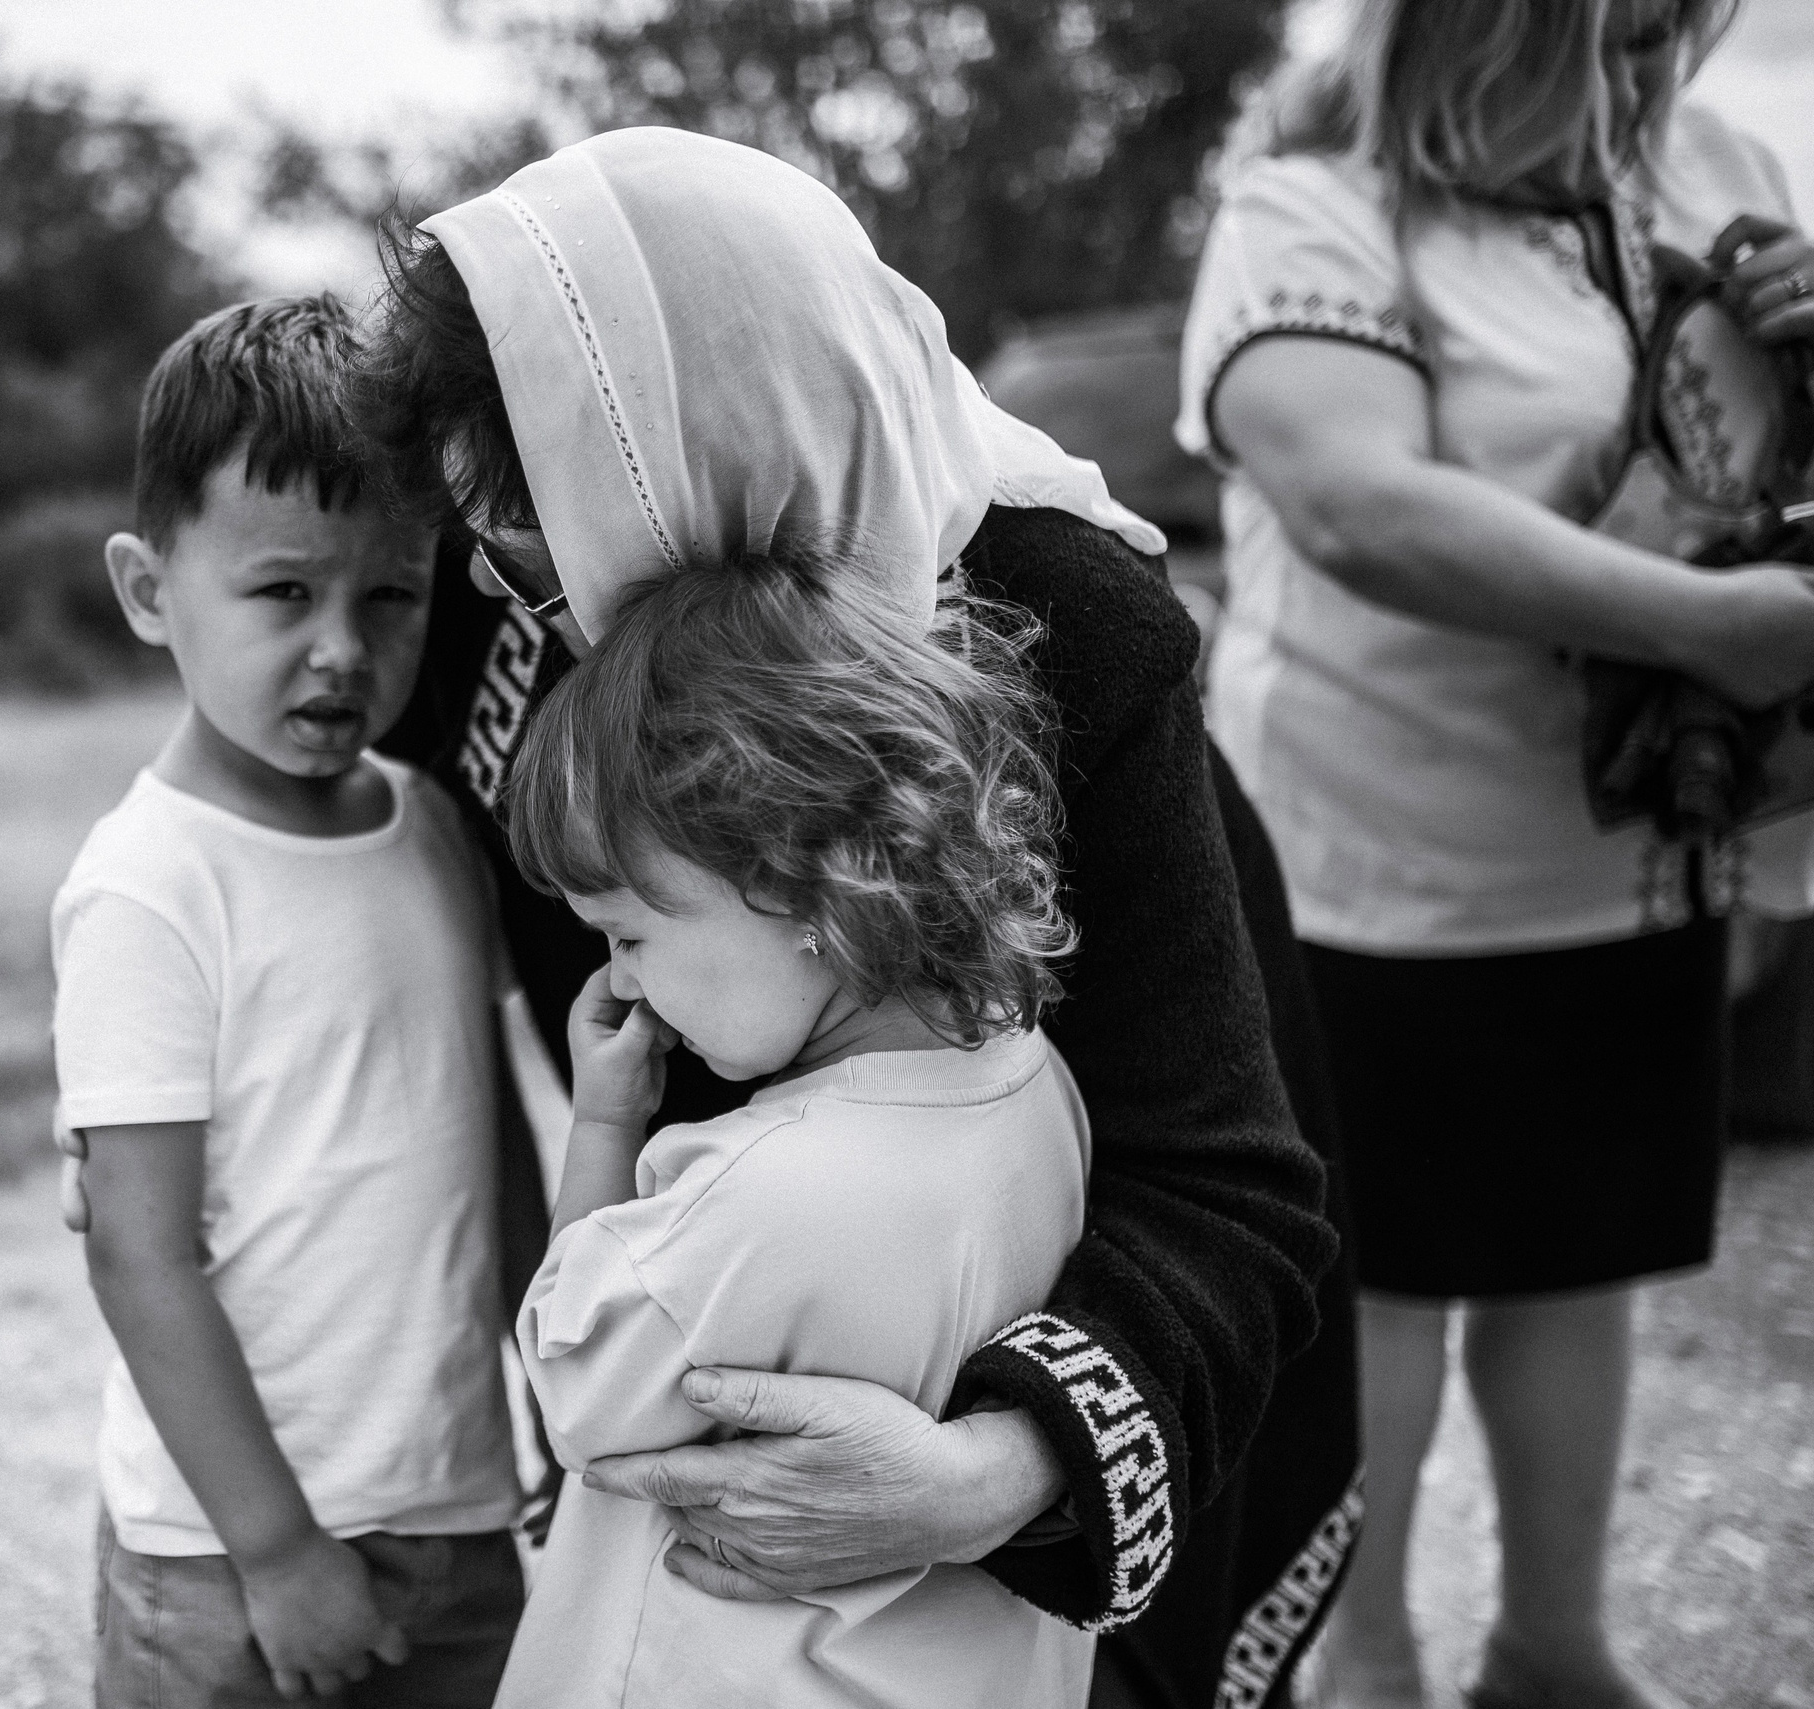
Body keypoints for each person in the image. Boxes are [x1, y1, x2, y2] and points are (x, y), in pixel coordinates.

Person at [345, 123, 1353, 1698]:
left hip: (1000, 1511)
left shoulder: (1061, 631)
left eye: (524, 543)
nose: (489, 589)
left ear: (669, 462)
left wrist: (986, 1478)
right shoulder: (572, 605)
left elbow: (1231, 1193)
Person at [1175, 1, 1814, 1704]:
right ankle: (1362, 1661)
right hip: (1375, 872)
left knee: (1578, 1255)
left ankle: (1552, 1648)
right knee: (1377, 1283)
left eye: (1683, 33)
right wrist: (1710, 626)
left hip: (1630, 855)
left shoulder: (1719, 165)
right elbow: (1358, 507)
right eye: (1617, 38)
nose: (1653, 76)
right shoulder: (1317, 205)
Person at [493, 544, 1094, 1707]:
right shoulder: (1033, 1077)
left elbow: (571, 1381)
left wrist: (607, 1117)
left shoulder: (749, 1190)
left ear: (798, 888)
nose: (616, 985)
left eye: (627, 933)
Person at [53, 295, 523, 1708]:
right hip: (226, 1555)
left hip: (452, 1505)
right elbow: (140, 1252)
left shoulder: (436, 826)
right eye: (281, 593)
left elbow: (484, 1141)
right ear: (150, 591)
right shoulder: (150, 883)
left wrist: (556, 1384)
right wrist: (276, 1549)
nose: (342, 647)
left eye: (390, 594)